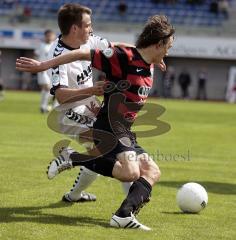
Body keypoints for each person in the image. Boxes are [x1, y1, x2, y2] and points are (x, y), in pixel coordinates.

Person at [16, 14, 175, 230]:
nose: (169, 51)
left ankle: (123, 215)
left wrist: (157, 57)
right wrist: (44, 65)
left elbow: (136, 50)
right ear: (158, 44)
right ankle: (76, 159)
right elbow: (81, 53)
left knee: (153, 171)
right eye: (168, 47)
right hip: (109, 126)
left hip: (125, 130)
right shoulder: (124, 58)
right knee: (131, 173)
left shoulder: (150, 62)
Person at [34, 29, 56, 113]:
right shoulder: (41, 45)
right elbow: (36, 55)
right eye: (48, 35)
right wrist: (37, 66)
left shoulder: (55, 45)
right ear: (45, 36)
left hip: (52, 70)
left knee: (49, 89)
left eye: (51, 35)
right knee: (47, 88)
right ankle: (44, 106)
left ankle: (44, 106)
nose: (50, 37)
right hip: (42, 69)